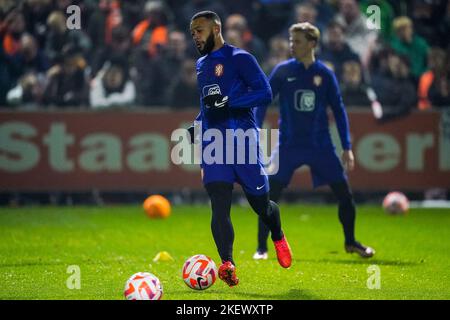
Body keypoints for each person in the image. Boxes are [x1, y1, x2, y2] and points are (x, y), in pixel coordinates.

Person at [187, 11, 292, 287]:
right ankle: (227, 263)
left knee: (261, 205)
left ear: (217, 28)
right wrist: (197, 125)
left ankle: (278, 235)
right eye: (192, 32)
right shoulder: (201, 64)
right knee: (219, 206)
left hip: (243, 141)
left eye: (199, 30)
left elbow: (265, 93)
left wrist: (230, 102)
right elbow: (207, 102)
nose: (195, 36)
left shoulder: (241, 58)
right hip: (214, 144)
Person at [254, 22, 375, 261]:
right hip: (288, 145)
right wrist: (255, 130)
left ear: (312, 43)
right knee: (269, 195)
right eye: (291, 41)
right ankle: (262, 247)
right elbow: (263, 100)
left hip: (321, 145)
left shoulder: (325, 75)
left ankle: (351, 242)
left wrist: (347, 147)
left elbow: (339, 111)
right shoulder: (282, 71)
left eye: (297, 41)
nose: (292, 45)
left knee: (344, 194)